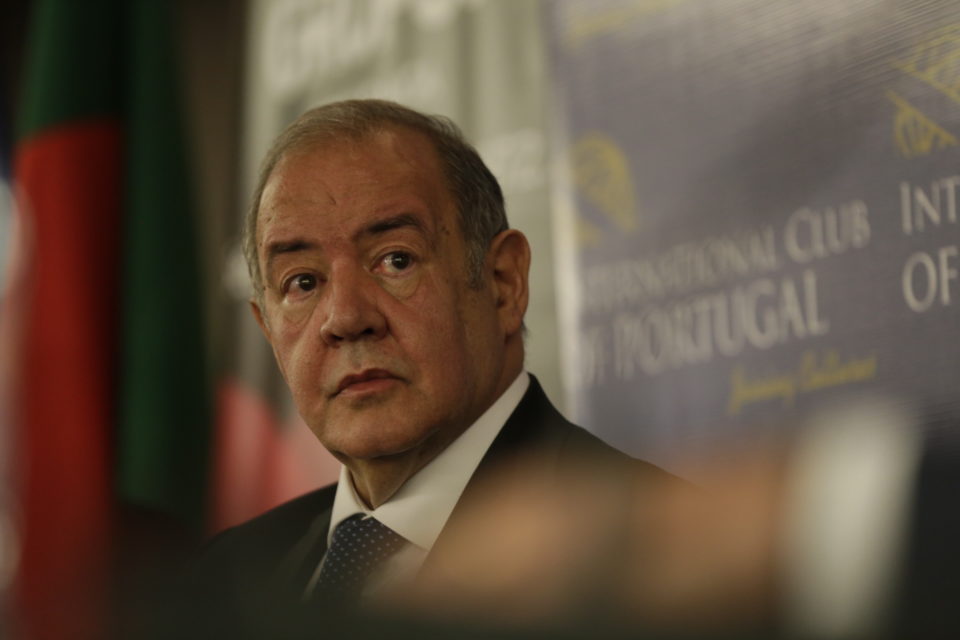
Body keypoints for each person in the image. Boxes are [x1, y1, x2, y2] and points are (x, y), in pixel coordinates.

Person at [185, 99, 674, 632]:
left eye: (395, 260)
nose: (346, 318)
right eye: (302, 282)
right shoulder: (224, 580)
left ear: (504, 284)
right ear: (268, 332)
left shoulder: (656, 557)